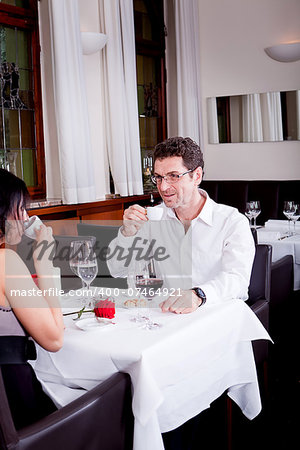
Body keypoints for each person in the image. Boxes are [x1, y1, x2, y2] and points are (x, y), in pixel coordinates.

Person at [107, 136, 255, 313]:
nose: (163, 187)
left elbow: (237, 279)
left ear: (197, 176)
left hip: (215, 318)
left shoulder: (231, 222)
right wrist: (127, 233)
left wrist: (198, 295)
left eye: (174, 176)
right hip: (167, 319)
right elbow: (117, 270)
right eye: (159, 178)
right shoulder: (153, 218)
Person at [0, 168, 64, 429]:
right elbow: (55, 339)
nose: (25, 218)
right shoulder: (6, 262)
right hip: (18, 411)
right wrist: (45, 264)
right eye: (20, 209)